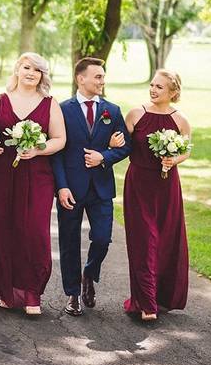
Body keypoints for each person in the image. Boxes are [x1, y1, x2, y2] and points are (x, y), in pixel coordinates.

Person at [0, 53, 66, 315]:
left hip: (36, 175)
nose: (31, 73)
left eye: (37, 70)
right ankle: (5, 289)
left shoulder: (50, 104)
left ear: (42, 76)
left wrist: (38, 149)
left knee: (34, 233)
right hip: (0, 175)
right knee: (0, 229)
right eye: (26, 67)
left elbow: (59, 139)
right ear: (17, 69)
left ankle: (31, 293)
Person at [51, 57, 130, 316]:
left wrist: (104, 157)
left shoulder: (113, 111)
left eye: (103, 76)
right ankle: (72, 294)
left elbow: (127, 146)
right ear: (80, 78)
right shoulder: (62, 110)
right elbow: (57, 153)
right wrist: (61, 187)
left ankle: (89, 273)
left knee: (103, 238)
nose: (102, 81)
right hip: (71, 188)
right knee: (69, 242)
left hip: (101, 188)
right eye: (97, 76)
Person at [121, 70, 191, 321]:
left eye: (159, 87)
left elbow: (186, 151)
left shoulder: (181, 120)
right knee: (144, 240)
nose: (153, 89)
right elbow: (122, 145)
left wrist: (174, 159)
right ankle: (145, 302)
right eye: (152, 84)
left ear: (173, 92)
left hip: (167, 186)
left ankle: (161, 297)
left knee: (165, 240)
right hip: (139, 184)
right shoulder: (135, 114)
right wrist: (115, 143)